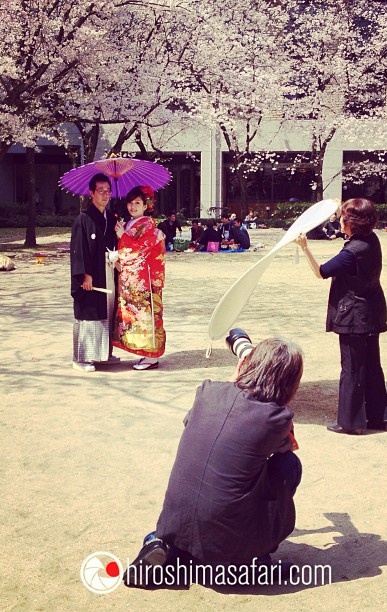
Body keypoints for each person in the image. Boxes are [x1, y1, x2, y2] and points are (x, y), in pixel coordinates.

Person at [123, 338, 304, 587]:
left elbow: (200, 424)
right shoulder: (277, 418)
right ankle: (251, 559)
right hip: (225, 537)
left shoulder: (207, 390)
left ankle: (162, 544)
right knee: (289, 465)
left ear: (247, 365)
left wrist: (236, 378)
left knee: (215, 473)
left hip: (174, 523)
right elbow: (287, 448)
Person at [295, 198, 387, 435]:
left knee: (351, 369)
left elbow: (321, 272)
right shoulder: (371, 240)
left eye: (343, 218)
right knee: (371, 366)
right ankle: (379, 418)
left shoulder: (351, 252)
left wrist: (304, 247)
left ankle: (351, 422)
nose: (339, 220)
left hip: (354, 316)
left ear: (351, 223)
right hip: (371, 311)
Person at [113, 185, 166, 370]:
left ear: (146, 206)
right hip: (131, 279)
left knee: (145, 315)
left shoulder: (147, 225)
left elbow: (141, 250)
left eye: (137, 203)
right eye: (130, 203)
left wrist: (123, 237)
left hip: (143, 280)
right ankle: (144, 353)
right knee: (134, 317)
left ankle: (151, 356)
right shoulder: (130, 223)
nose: (132, 206)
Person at [70, 173, 119, 372]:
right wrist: (85, 275)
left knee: (106, 312)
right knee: (89, 313)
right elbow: (79, 250)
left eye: (108, 191)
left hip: (107, 272)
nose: (105, 195)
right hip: (92, 275)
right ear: (91, 193)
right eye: (101, 191)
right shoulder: (83, 219)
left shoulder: (111, 218)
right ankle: (81, 358)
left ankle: (102, 354)